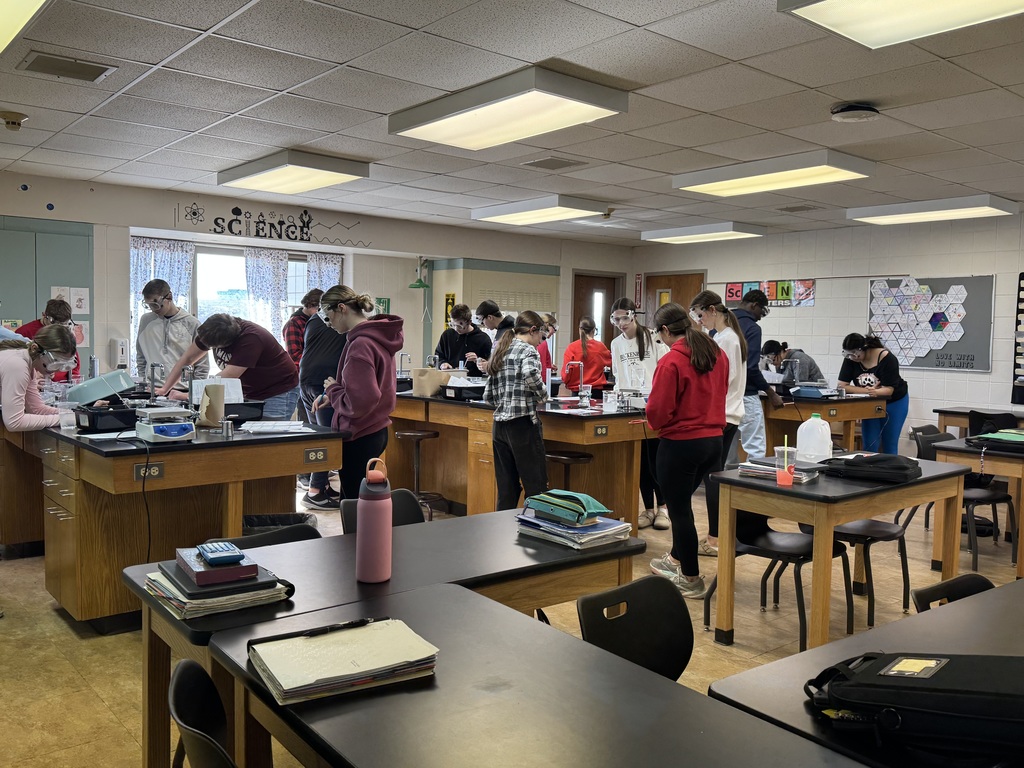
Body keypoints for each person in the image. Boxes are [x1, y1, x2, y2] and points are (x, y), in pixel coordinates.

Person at [645, 302, 728, 599]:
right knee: (683, 505)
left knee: (680, 512)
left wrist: (653, 417)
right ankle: (675, 560)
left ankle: (691, 579)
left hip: (680, 444)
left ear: (666, 330)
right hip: (713, 442)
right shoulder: (717, 354)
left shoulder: (671, 362)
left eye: (659, 334)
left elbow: (656, 414)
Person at [312, 286, 404, 500]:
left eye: (328, 317)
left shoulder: (360, 344)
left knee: (354, 505)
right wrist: (334, 396)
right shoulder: (376, 336)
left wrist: (333, 390)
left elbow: (361, 401)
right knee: (364, 504)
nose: (329, 324)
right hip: (375, 429)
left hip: (360, 433)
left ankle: (356, 536)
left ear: (341, 308)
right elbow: (365, 388)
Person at [690, 290, 747, 557]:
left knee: (712, 477)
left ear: (713, 310)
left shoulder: (727, 340)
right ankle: (716, 535)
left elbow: (724, 379)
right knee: (712, 475)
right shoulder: (722, 337)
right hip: (724, 414)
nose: (700, 321)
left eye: (701, 315)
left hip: (723, 415)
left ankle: (716, 538)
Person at [156, 315, 299, 419]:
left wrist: (187, 396)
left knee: (269, 438)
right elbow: (187, 358)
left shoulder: (251, 340)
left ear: (227, 343)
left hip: (279, 389)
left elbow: (226, 377)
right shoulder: (213, 329)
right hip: (251, 391)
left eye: (212, 347)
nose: (208, 348)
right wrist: (165, 389)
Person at [609, 297, 668, 530]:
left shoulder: (653, 338)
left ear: (634, 315)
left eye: (625, 317)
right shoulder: (616, 344)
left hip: (652, 407)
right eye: (616, 319)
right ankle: (648, 509)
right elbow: (617, 374)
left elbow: (665, 368)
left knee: (656, 461)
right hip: (629, 408)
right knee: (639, 462)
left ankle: (663, 508)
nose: (621, 323)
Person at [483, 311, 548, 511]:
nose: (540, 342)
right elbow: (530, 373)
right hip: (522, 426)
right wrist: (543, 394)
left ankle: (504, 537)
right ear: (533, 330)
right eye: (541, 336)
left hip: (500, 427)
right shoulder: (528, 350)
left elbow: (488, 396)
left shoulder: (502, 349)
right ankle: (534, 535)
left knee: (507, 489)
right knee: (535, 487)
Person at [298, 310, 346, 509]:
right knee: (327, 441)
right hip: (325, 382)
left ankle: (322, 486)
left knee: (318, 436)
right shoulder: (344, 323)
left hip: (305, 379)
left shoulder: (313, 320)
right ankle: (315, 492)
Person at [731, 289, 783, 462]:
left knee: (726, 449)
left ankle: (724, 487)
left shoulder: (721, 324)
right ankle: (751, 487)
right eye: (762, 311)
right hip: (746, 394)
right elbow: (751, 368)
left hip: (724, 396)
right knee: (755, 448)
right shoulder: (752, 328)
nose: (761, 316)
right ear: (754, 305)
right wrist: (771, 392)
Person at [838, 333, 909, 454]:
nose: (853, 357)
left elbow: (888, 390)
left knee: (889, 444)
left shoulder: (887, 358)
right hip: (870, 402)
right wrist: (870, 391)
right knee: (870, 443)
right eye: (848, 354)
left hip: (894, 401)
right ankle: (869, 470)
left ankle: (890, 471)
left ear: (865, 348)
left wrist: (875, 392)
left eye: (855, 354)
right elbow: (841, 386)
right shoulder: (851, 359)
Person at [0, 324, 76, 431]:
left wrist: (74, 414)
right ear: (35, 348)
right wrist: (64, 419)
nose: (57, 369)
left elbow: (36, 409)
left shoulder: (28, 363)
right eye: (54, 361)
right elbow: (14, 422)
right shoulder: (17, 365)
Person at [136, 279, 207, 391]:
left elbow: (202, 364)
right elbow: (141, 356)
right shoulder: (146, 321)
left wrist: (195, 392)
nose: (153, 310)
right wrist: (144, 382)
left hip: (182, 389)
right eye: (149, 305)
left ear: (169, 297)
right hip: (152, 389)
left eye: (156, 305)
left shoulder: (192, 324)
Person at [16, 299, 80, 383]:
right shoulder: (24, 333)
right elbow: (17, 365)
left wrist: (56, 373)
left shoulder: (66, 335)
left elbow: (74, 366)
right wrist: (34, 375)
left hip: (59, 385)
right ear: (44, 315)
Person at [433, 303, 491, 376]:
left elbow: (490, 366)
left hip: (473, 383)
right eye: (452, 325)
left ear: (469, 322)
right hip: (449, 381)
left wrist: (477, 360)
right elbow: (437, 357)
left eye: (459, 326)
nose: (456, 329)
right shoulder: (447, 335)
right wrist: (442, 364)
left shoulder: (483, 339)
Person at [560, 316, 611, 395]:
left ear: (580, 330)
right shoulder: (600, 347)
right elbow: (613, 363)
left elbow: (566, 373)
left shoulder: (572, 348)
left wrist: (566, 383)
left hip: (577, 392)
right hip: (596, 392)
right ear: (594, 330)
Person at [469, 300, 515, 374]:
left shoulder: (510, 331)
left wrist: (489, 366)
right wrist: (488, 363)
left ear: (490, 317)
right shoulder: (500, 330)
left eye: (481, 320)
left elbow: (510, 362)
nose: (482, 324)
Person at [537, 313, 557, 384]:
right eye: (554, 328)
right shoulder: (541, 343)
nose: (554, 331)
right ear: (548, 325)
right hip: (541, 381)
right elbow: (541, 366)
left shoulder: (543, 342)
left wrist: (549, 366)